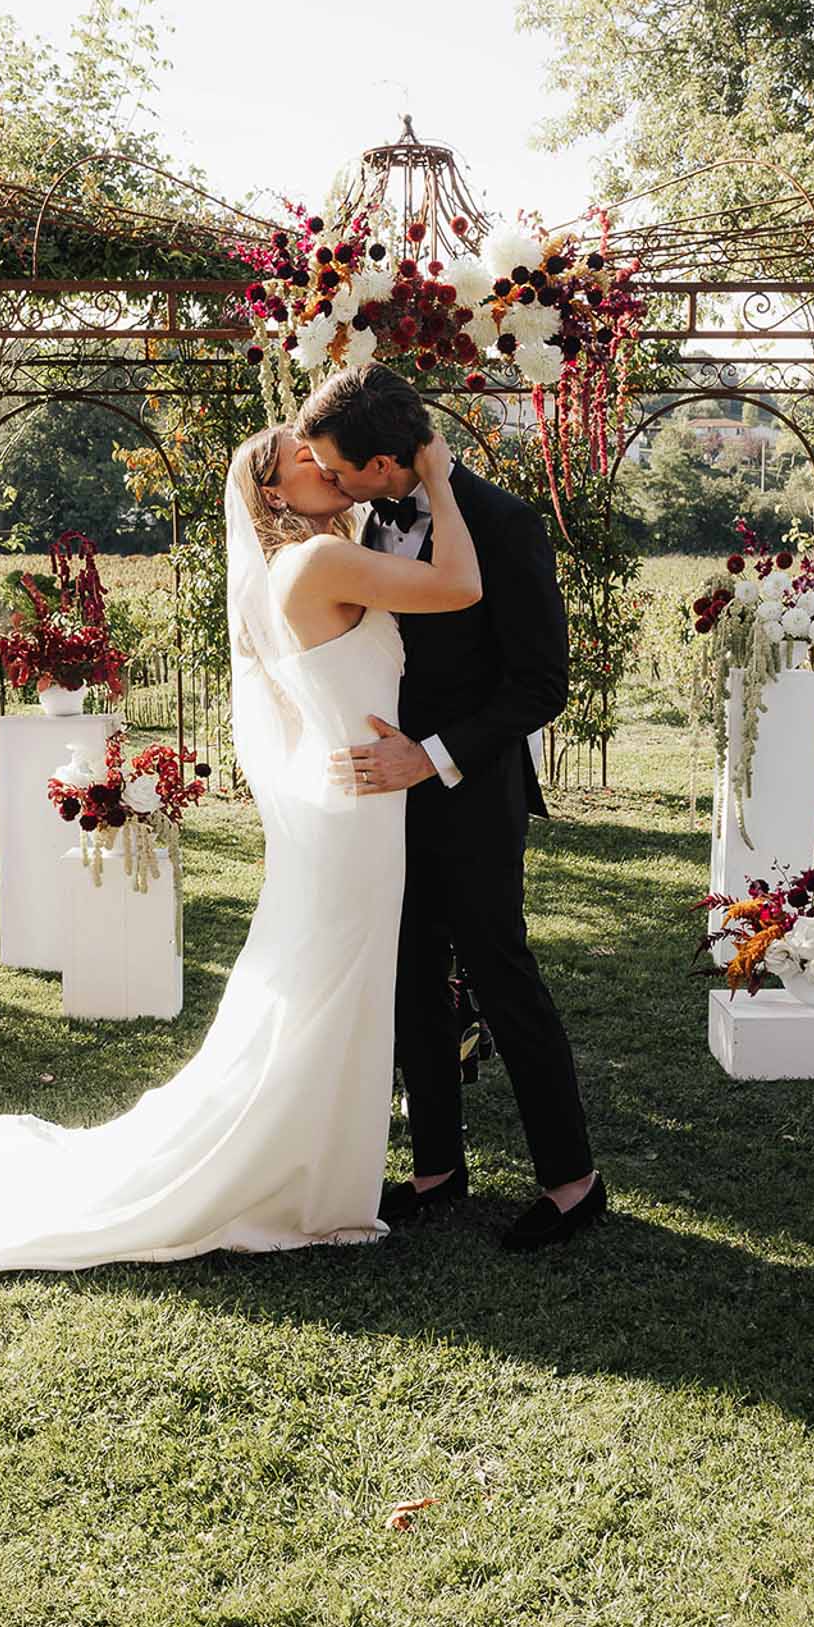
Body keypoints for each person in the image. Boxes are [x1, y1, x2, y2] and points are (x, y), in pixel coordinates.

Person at [0, 426, 479, 1286]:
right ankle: (294, 1171)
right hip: (353, 810)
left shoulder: (321, 554)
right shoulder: (312, 565)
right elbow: (458, 586)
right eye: (301, 460)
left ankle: (316, 1162)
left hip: (355, 798)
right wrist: (437, 474)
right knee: (326, 984)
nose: (324, 463)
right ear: (272, 495)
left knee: (324, 984)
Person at [297, 361, 605, 1254]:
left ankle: (572, 1181)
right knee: (409, 976)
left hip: (470, 792)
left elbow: (543, 683)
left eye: (343, 469)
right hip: (387, 803)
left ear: (391, 463)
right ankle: (437, 1168)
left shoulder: (506, 525)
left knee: (500, 975)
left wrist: (426, 758)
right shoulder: (365, 520)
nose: (333, 484)